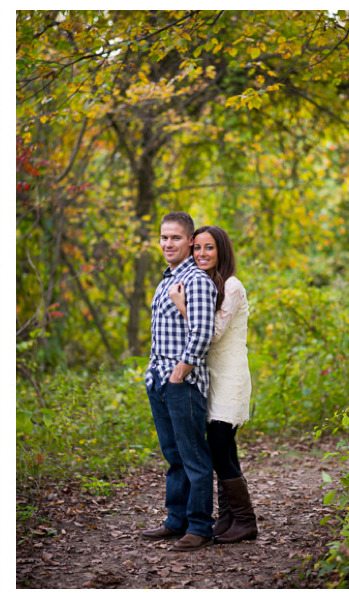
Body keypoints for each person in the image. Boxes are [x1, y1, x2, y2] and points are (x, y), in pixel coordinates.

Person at [168, 225, 256, 543]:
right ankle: (228, 518)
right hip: (210, 378)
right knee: (222, 448)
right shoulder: (208, 283)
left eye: (209, 248)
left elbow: (213, 333)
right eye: (198, 248)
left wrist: (181, 304)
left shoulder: (232, 286)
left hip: (231, 378)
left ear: (222, 251)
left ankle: (246, 521)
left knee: (220, 446)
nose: (202, 254)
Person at [140, 212, 218, 552]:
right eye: (163, 237)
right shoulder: (166, 279)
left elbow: (203, 333)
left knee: (193, 457)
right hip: (158, 379)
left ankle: (200, 526)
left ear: (189, 242)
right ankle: (176, 520)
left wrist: (178, 372)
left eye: (174, 238)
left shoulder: (196, 280)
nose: (167, 243)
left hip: (181, 382)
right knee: (173, 456)